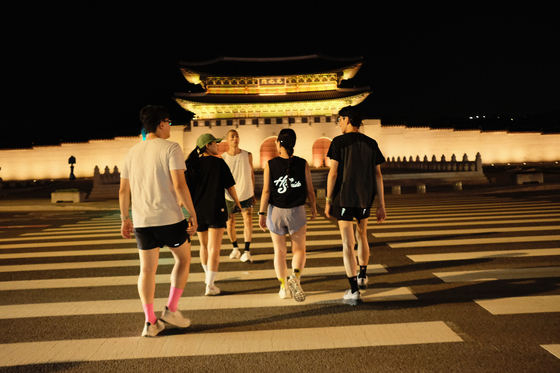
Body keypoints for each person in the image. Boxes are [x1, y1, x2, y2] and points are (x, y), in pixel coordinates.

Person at [119, 105, 197, 337]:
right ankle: (171, 309)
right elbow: (180, 185)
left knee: (147, 270)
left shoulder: (131, 152)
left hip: (142, 220)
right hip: (169, 218)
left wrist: (125, 218)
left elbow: (124, 190)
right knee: (183, 259)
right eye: (169, 122)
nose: (170, 126)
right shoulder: (171, 147)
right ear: (162, 123)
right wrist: (192, 214)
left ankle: (150, 321)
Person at [325, 105, 387, 306]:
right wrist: (381, 205)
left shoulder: (338, 142)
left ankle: (353, 290)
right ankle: (362, 276)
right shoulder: (371, 143)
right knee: (362, 235)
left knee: (347, 243)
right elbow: (378, 175)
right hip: (364, 198)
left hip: (344, 198)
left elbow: (333, 173)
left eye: (339, 120)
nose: (339, 123)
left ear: (347, 119)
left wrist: (327, 200)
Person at [259, 128, 317, 301]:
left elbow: (266, 190)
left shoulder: (270, 164)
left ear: (279, 143)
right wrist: (313, 207)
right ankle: (296, 277)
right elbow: (310, 189)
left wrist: (262, 213)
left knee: (279, 252)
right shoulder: (303, 163)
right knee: (299, 249)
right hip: (296, 211)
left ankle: (284, 288)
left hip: (275, 212)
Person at [185, 133, 242, 296]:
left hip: (198, 211)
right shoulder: (218, 163)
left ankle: (207, 278)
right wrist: (237, 203)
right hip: (216, 209)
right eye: (215, 143)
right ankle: (210, 285)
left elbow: (186, 191)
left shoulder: (193, 164)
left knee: (203, 246)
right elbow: (230, 187)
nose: (218, 146)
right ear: (208, 146)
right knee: (214, 249)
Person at [221, 130, 256, 263]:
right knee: (230, 223)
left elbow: (252, 174)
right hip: (229, 195)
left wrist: (253, 191)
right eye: (232, 137)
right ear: (227, 140)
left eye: (237, 136)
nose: (235, 139)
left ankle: (247, 250)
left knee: (248, 221)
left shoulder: (248, 155)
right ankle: (235, 248)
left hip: (246, 193)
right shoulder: (223, 157)